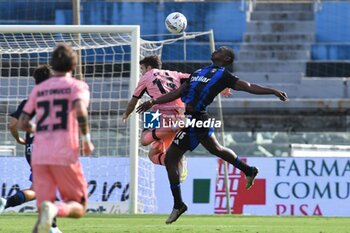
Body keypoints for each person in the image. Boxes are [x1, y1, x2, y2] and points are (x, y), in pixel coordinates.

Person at [136, 46, 288, 224]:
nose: (217, 49)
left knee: (171, 158)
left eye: (221, 50)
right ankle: (249, 170)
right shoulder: (200, 71)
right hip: (193, 118)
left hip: (196, 120)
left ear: (226, 59)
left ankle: (178, 205)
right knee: (216, 149)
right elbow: (178, 92)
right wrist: (154, 101)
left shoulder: (224, 76)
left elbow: (249, 86)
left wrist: (273, 91)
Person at [17, 44, 94, 233]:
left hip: (39, 155)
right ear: (73, 66)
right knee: (78, 206)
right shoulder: (77, 86)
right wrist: (86, 139)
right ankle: (54, 209)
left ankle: (49, 211)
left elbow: (23, 123)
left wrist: (40, 129)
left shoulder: (39, 90)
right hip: (64, 151)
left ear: (52, 64)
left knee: (43, 215)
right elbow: (81, 112)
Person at [123, 55, 231, 181]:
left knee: (143, 141)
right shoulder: (174, 74)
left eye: (142, 68)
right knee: (153, 155)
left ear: (149, 67)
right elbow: (200, 80)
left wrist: (127, 114)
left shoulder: (145, 77)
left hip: (159, 111)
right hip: (178, 110)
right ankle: (177, 158)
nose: (141, 71)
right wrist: (223, 87)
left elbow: (133, 101)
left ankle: (174, 133)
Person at [0, 65, 62, 233]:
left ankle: (51, 227)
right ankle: (51, 227)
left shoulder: (28, 102)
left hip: (31, 150)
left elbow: (12, 124)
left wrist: (18, 139)